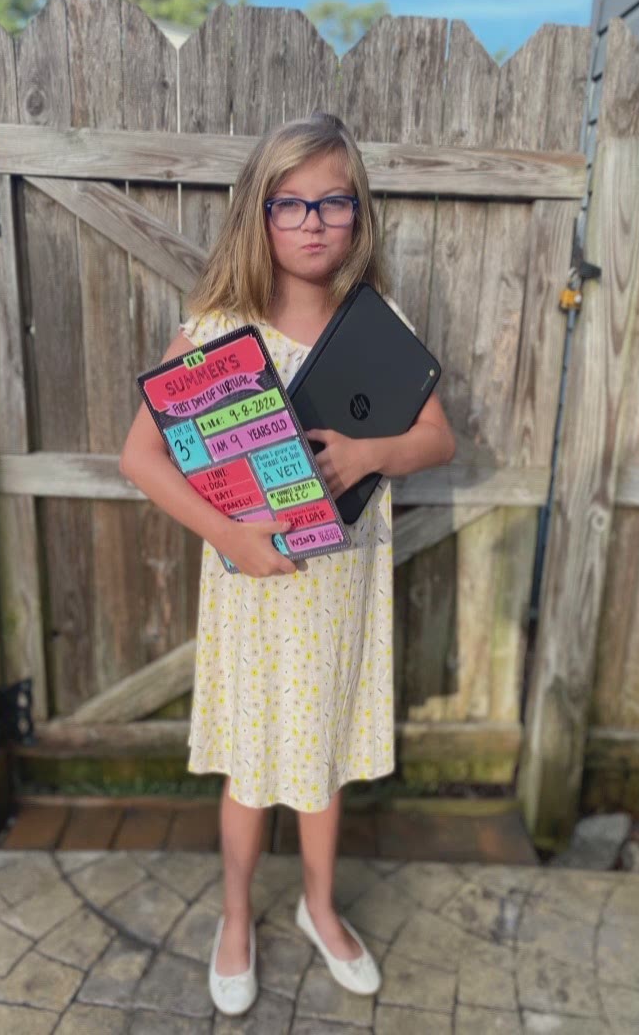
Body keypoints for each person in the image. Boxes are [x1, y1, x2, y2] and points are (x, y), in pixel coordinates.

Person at [118, 111, 457, 1016]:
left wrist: (368, 453)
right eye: (291, 202)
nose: (313, 222)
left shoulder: (377, 323)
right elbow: (140, 458)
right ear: (258, 211)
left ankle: (318, 907)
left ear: (359, 214)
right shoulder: (218, 329)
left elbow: (438, 438)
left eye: (334, 202)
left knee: (322, 762)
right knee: (250, 768)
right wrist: (229, 537)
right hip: (255, 593)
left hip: (340, 588)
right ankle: (235, 917)